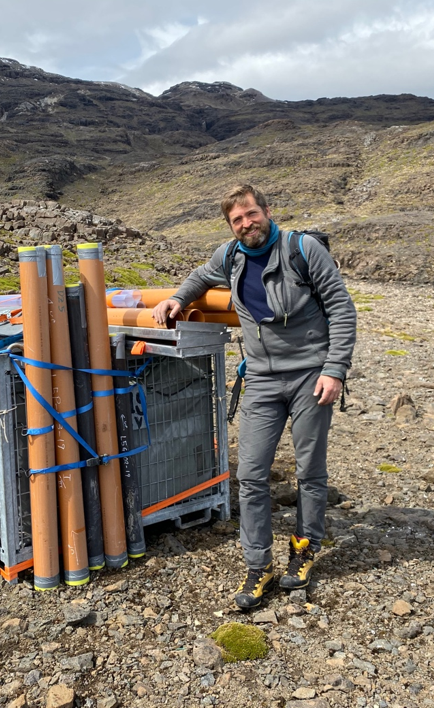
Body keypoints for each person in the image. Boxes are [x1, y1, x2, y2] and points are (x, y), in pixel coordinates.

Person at [152, 185, 357, 609]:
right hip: (262, 380)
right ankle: (258, 566)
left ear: (267, 210)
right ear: (231, 226)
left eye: (251, 214)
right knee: (250, 475)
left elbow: (341, 307)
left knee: (309, 471)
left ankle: (303, 549)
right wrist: (176, 298)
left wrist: (334, 370)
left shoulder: (303, 249)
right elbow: (199, 278)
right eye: (237, 220)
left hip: (310, 377)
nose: (247, 224)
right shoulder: (230, 256)